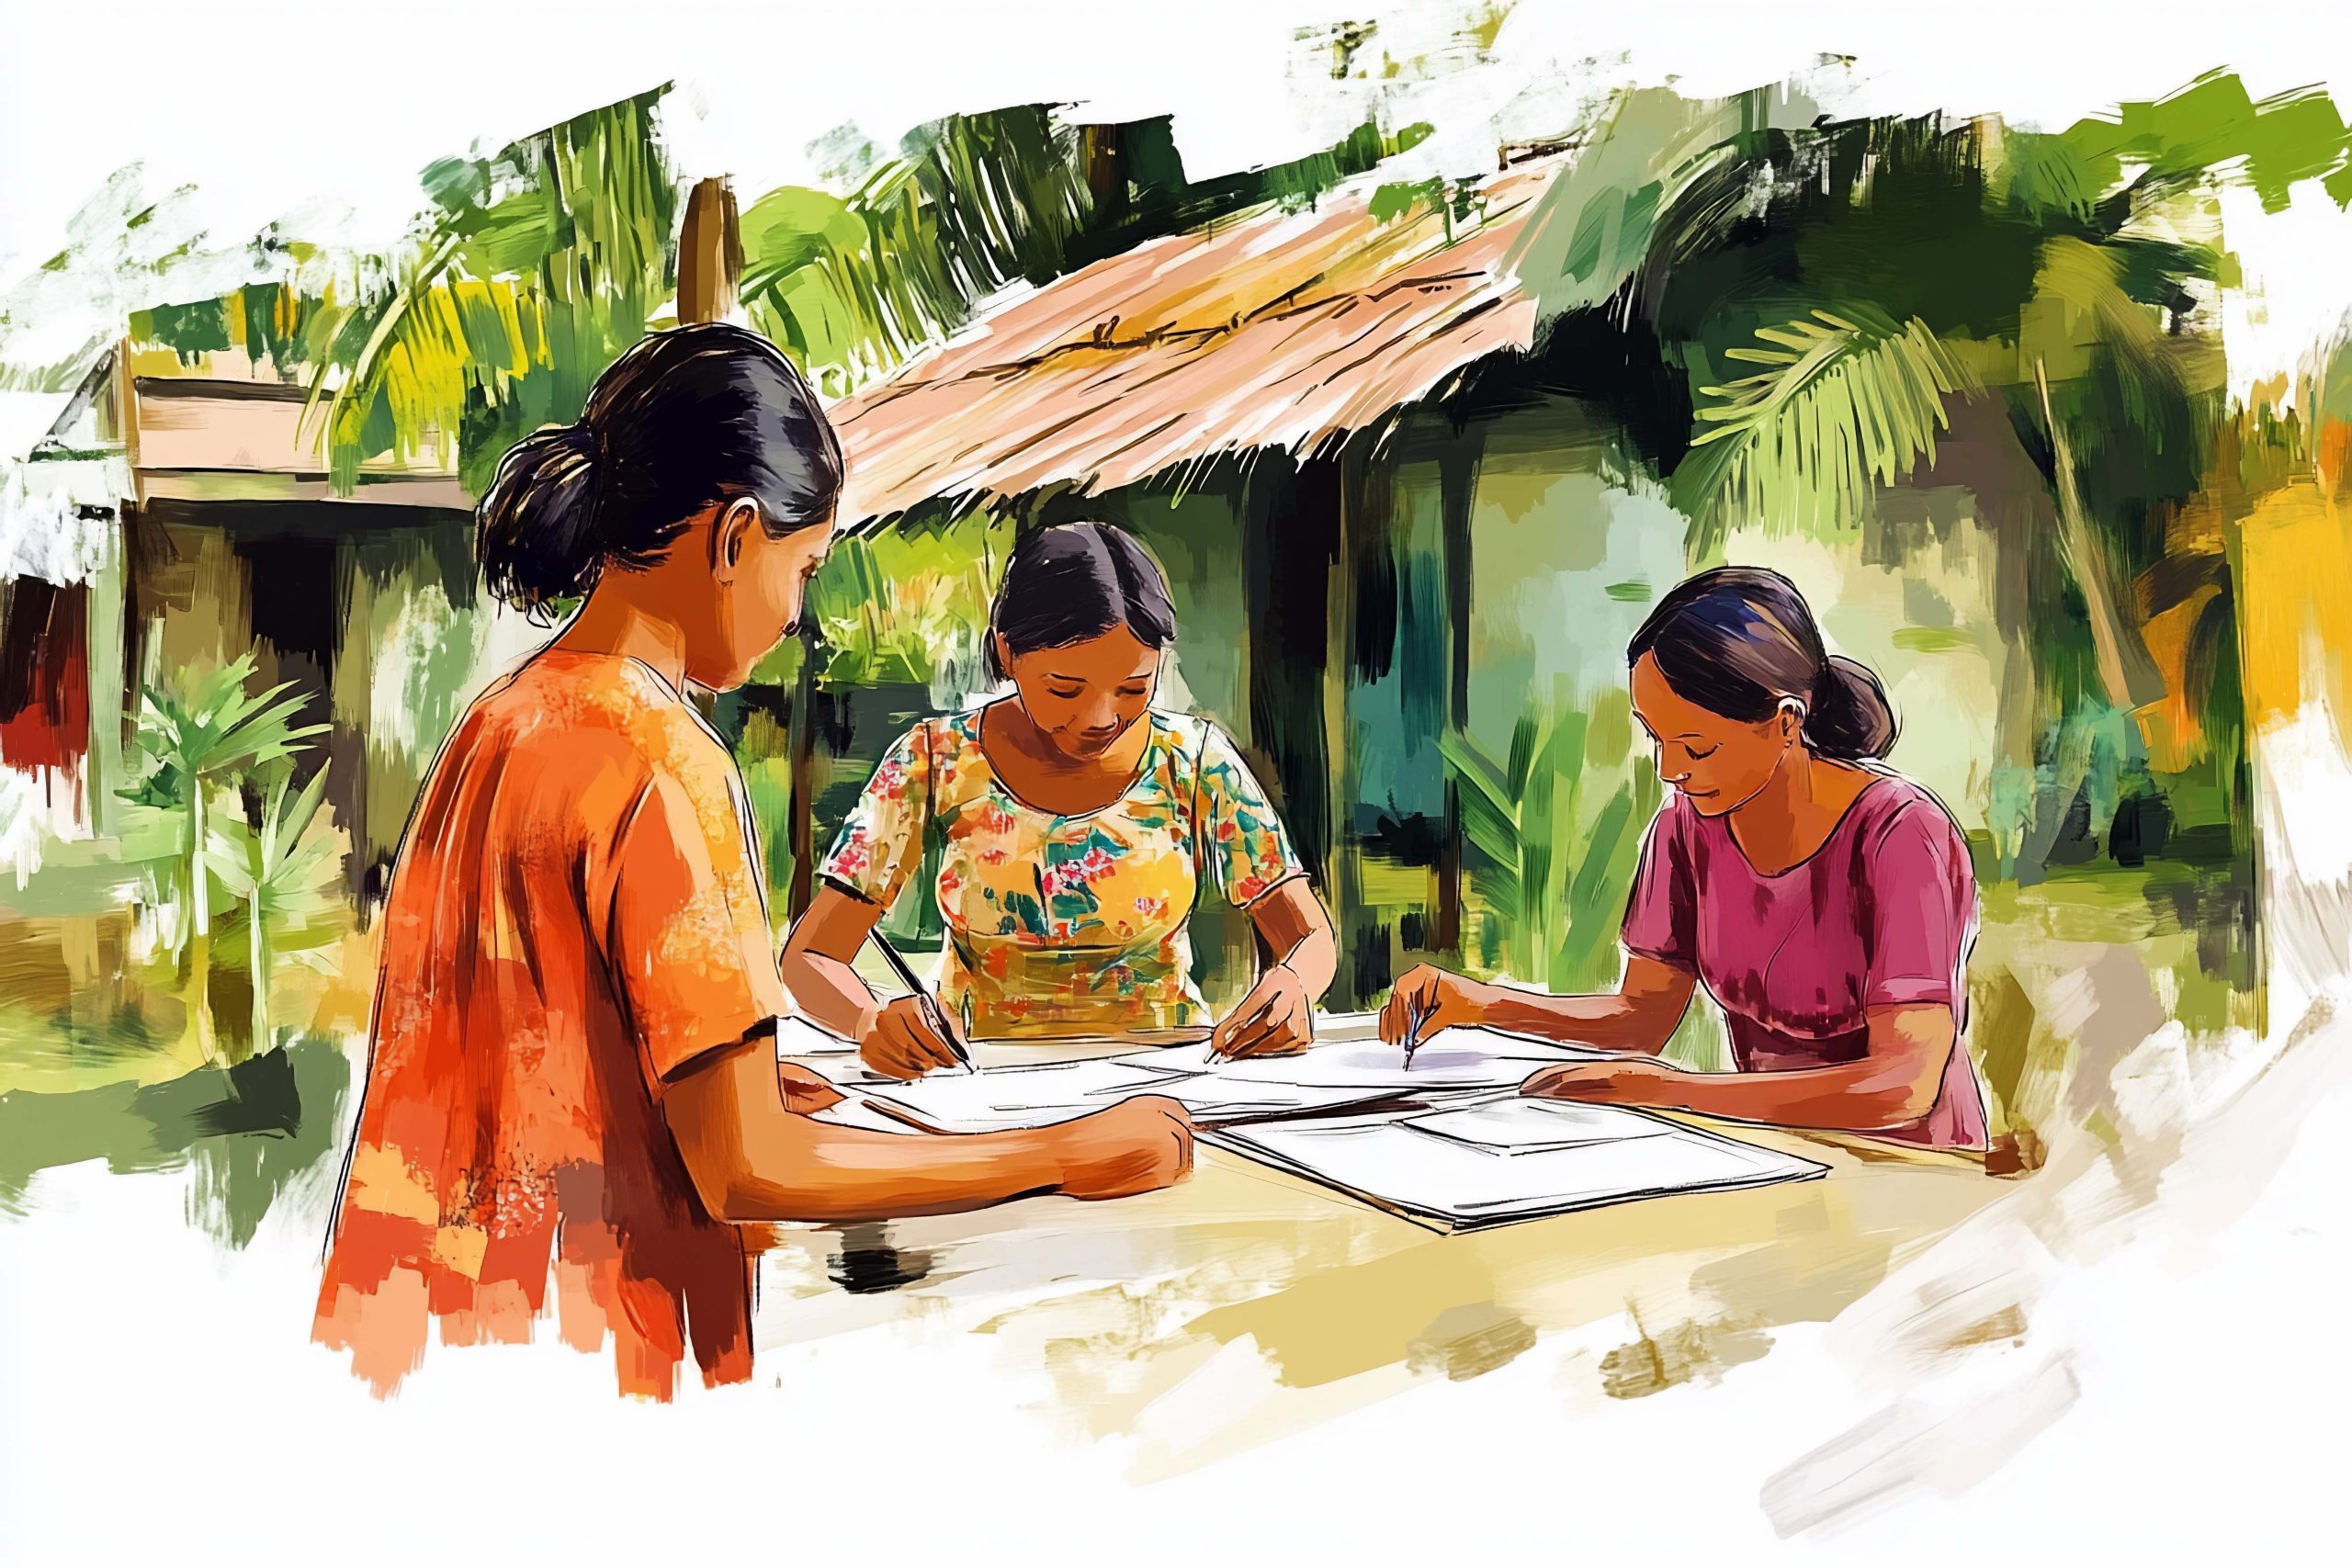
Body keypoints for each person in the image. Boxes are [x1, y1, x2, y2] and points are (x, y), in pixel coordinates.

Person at [312, 326, 1193, 1402]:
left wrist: (711, 1083)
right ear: (734, 538)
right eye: (805, 568)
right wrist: (1064, 1153)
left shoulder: (503, 723)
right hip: (587, 1351)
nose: (798, 613)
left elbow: (517, 1037)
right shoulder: (664, 761)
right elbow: (747, 1167)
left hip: (414, 1323)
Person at [1382, 566, 1989, 1149]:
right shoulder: (1685, 828)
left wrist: (1678, 1092)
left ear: (1784, 723)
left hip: (1913, 1166)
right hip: (1778, 1150)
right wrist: (1478, 1002)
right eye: (1656, 738)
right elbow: (1643, 1017)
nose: (1670, 770)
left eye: (1696, 746)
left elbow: (1903, 1083)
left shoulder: (1901, 836)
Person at [782, 522, 1338, 1079]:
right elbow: (809, 957)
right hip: (981, 1084)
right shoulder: (936, 761)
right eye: (1064, 690)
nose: (1100, 719)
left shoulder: (1192, 763)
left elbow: (1309, 935)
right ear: (1007, 653)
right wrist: (869, 1019)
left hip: (1170, 1076)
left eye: (1132, 689)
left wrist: (1292, 985)